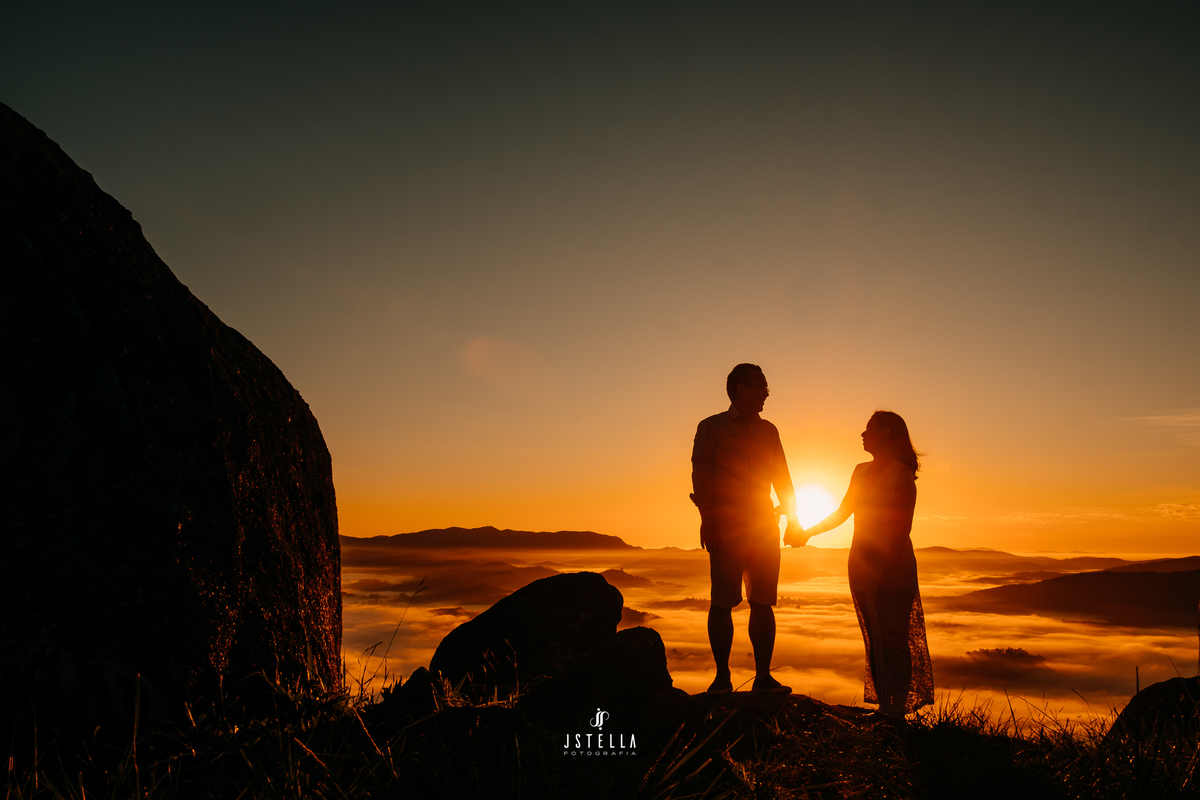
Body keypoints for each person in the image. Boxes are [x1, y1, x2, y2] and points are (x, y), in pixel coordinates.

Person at [786, 410, 933, 715]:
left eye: (870, 429)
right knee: (875, 638)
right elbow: (843, 513)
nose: (863, 434)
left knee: (894, 638)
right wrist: (807, 533)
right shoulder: (860, 471)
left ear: (888, 433)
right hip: (862, 565)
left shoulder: (901, 475)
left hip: (893, 567)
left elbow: (901, 529)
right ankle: (884, 709)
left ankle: (896, 712)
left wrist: (885, 570)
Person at [691, 363, 802, 694]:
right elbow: (701, 475)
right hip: (727, 524)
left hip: (764, 525)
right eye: (761, 387)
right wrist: (708, 521)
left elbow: (782, 476)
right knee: (723, 601)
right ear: (740, 389)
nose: (767, 393)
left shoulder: (770, 431)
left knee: (763, 601)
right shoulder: (711, 427)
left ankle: (763, 677)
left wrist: (793, 519)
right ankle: (722, 678)